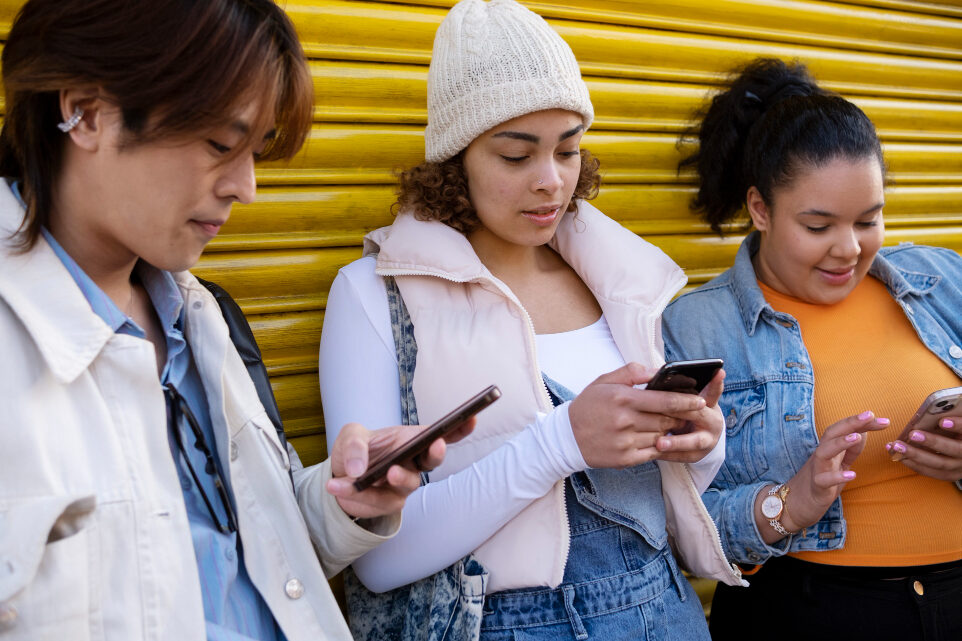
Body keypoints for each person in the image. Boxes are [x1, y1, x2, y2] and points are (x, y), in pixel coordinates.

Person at [0, 2, 472, 640]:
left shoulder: (198, 314)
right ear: (85, 110)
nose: (246, 187)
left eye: (257, 150)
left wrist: (344, 500)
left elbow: (231, 559)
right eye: (221, 144)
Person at [318, 1, 744, 639]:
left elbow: (672, 505)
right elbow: (379, 560)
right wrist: (560, 443)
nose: (551, 181)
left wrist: (700, 447)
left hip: (666, 612)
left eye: (568, 150)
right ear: (455, 159)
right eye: (516, 156)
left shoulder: (622, 282)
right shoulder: (372, 297)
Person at [662, 57, 962, 640]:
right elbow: (672, 530)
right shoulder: (696, 328)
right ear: (760, 209)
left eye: (868, 220)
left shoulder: (941, 278)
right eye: (819, 226)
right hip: (807, 612)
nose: (849, 249)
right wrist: (788, 503)